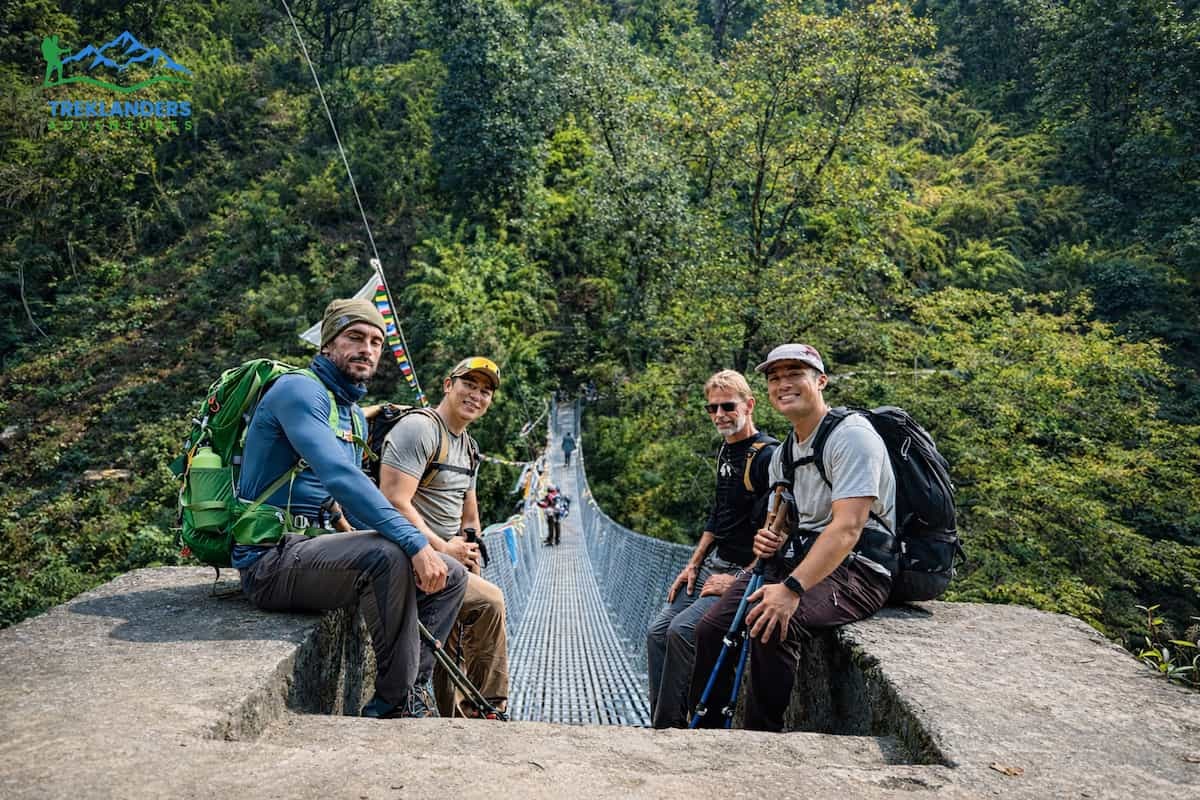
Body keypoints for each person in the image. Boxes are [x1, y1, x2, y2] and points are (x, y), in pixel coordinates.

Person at [234, 298, 468, 719]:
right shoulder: (299, 391)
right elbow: (342, 476)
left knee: (451, 575)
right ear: (328, 346)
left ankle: (413, 689)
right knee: (388, 556)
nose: (368, 349)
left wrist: (427, 550)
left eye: (376, 342)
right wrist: (414, 542)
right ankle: (392, 705)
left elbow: (353, 507)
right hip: (269, 558)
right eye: (355, 338)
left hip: (317, 554)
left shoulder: (354, 418)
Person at [689, 344, 897, 732]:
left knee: (771, 622)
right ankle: (707, 735)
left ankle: (760, 737)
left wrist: (792, 589)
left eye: (794, 374)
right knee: (711, 629)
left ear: (820, 381)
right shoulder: (786, 451)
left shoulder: (850, 437)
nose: (783, 383)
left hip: (860, 569)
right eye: (774, 377)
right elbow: (785, 518)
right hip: (800, 558)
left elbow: (848, 527)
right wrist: (772, 538)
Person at [646, 369, 778, 729]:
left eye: (727, 407)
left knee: (682, 631)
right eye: (711, 408)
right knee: (658, 632)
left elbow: (776, 530)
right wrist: (692, 564)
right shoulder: (726, 449)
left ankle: (675, 728)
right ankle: (661, 720)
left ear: (749, 405)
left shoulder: (766, 457)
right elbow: (718, 516)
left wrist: (738, 581)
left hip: (741, 572)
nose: (719, 415)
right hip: (712, 565)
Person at [378, 357, 509, 718]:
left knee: (453, 631)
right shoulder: (421, 429)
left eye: (485, 391)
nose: (476, 396)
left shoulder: (468, 447)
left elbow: (470, 516)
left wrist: (469, 550)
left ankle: (456, 715)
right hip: (407, 552)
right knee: (490, 603)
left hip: (447, 556)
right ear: (448, 385)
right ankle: (487, 709)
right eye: (469, 385)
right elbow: (393, 500)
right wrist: (443, 547)